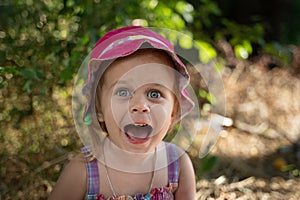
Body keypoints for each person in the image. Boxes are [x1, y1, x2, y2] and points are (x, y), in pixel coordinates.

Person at [49, 26, 196, 200]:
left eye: (154, 94)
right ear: (100, 109)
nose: (140, 105)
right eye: (123, 92)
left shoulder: (177, 164)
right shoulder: (83, 171)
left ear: (173, 112)